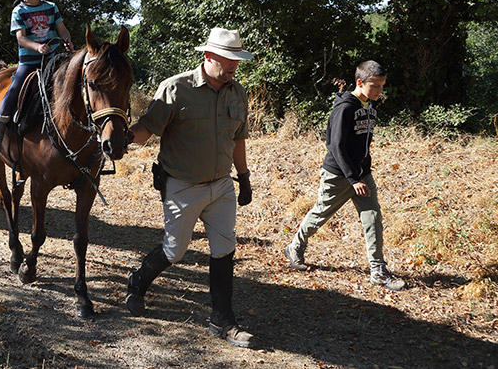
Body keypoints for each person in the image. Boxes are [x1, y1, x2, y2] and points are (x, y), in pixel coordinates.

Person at [125, 27, 255, 348]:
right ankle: (138, 281)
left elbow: (238, 139)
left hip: (222, 186)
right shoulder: (175, 88)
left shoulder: (237, 93)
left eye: (237, 60)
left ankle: (222, 320)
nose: (233, 66)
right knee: (175, 250)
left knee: (224, 249)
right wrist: (125, 136)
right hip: (182, 185)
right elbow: (148, 128)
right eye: (228, 59)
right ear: (208, 56)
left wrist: (244, 176)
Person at [283, 60, 404, 291]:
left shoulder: (370, 105)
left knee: (373, 217)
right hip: (338, 175)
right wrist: (352, 178)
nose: (380, 91)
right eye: (375, 86)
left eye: (382, 86)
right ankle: (295, 246)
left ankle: (378, 270)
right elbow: (335, 145)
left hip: (361, 174)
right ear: (360, 82)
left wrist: (362, 172)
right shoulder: (345, 108)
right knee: (320, 213)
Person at [0, 0, 73, 153]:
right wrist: (37, 47)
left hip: (53, 59)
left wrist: (66, 39)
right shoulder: (19, 11)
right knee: (16, 87)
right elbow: (21, 39)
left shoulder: (51, 7)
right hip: (29, 61)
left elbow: (62, 29)